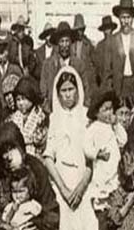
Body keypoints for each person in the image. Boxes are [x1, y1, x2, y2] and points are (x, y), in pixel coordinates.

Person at [42, 66, 96, 230]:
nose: (67, 94)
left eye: (71, 89)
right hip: (61, 181)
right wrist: (64, 190)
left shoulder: (87, 117)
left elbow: (91, 159)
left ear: (77, 90)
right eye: (63, 90)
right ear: (58, 93)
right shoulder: (54, 118)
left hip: (84, 180)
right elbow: (48, 158)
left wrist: (80, 189)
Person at [0, 121, 60, 230]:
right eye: (4, 151)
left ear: (21, 148)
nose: (8, 157)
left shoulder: (36, 168)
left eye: (12, 149)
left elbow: (51, 211)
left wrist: (35, 223)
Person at [84, 89, 121, 226]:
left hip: (114, 169)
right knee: (101, 205)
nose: (109, 113)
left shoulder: (112, 127)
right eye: (105, 110)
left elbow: (123, 139)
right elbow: (86, 147)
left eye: (111, 109)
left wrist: (116, 124)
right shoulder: (93, 128)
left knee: (114, 200)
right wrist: (97, 154)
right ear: (96, 112)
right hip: (101, 169)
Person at [40, 22, 90, 111]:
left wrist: (83, 109)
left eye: (67, 41)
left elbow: (86, 89)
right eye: (61, 41)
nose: (64, 45)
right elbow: (43, 91)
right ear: (57, 44)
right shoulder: (48, 64)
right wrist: (48, 109)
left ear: (71, 43)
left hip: (75, 111)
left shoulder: (79, 64)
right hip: (53, 111)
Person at [9, 76, 46, 156]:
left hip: (35, 155)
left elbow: (40, 141)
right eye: (18, 100)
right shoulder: (14, 117)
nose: (21, 103)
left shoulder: (41, 116)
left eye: (24, 99)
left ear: (31, 98)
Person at [1, 165, 44, 230]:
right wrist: (12, 210)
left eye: (21, 191)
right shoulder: (10, 206)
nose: (18, 196)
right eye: (14, 192)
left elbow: (40, 220)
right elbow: (6, 220)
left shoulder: (33, 205)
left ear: (30, 190)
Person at [9, 16, 39, 80]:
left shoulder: (28, 41)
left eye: (22, 29)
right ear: (16, 29)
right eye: (19, 29)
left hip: (26, 72)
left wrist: (28, 69)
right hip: (13, 73)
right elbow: (9, 59)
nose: (21, 32)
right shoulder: (11, 41)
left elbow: (32, 59)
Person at [93, 16, 117, 88]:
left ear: (112, 29)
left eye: (108, 28)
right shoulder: (99, 46)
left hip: (116, 82)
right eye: (105, 29)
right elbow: (96, 65)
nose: (107, 31)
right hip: (103, 82)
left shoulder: (117, 42)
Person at [71, 14, 96, 82]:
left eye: (81, 30)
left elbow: (94, 63)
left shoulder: (88, 44)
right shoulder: (71, 44)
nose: (79, 33)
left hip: (85, 77)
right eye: (77, 30)